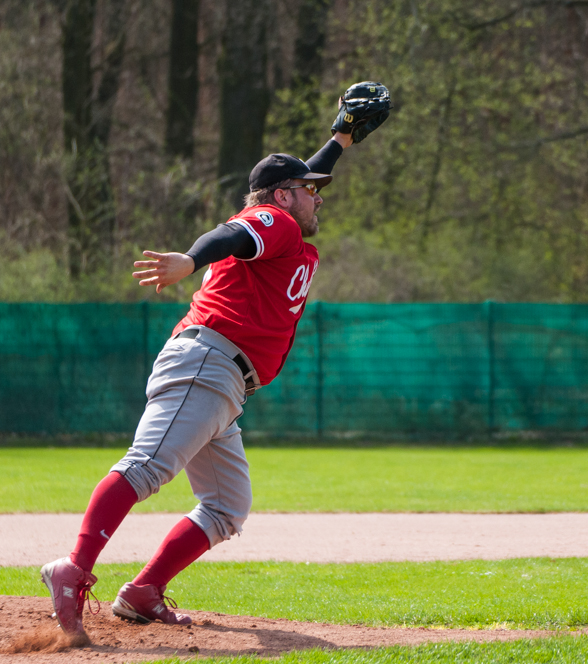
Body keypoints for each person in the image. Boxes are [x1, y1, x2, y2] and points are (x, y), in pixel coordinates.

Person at [39, 128, 355, 642]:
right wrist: (190, 259)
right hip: (208, 365)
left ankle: (143, 592)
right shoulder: (275, 221)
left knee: (227, 505)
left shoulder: (282, 216)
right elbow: (233, 233)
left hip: (222, 380)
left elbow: (290, 187)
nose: (317, 197)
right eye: (307, 189)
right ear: (281, 195)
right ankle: (72, 567)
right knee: (146, 467)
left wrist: (341, 137)